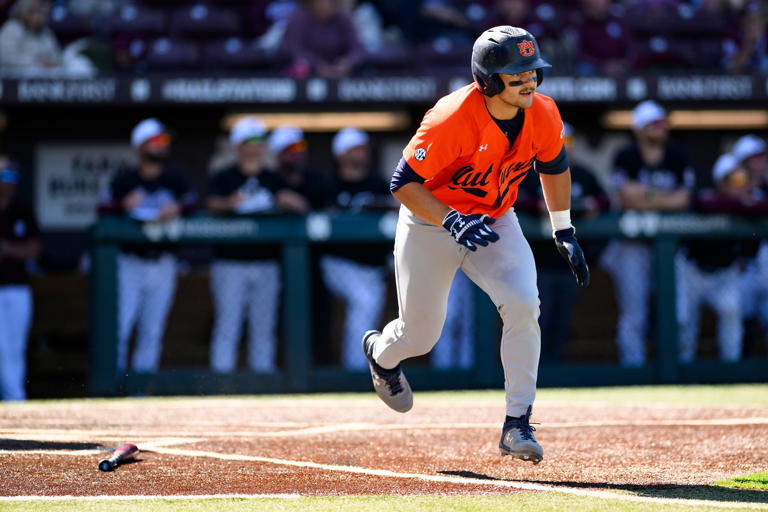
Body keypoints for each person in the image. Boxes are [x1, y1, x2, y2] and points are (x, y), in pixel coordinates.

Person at [361, 26, 589, 465]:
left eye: (532, 71)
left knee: (524, 303)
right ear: (487, 80)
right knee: (421, 335)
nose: (530, 80)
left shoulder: (543, 112)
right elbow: (402, 183)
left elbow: (554, 166)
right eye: (517, 73)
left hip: (494, 219)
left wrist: (564, 230)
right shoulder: (452, 115)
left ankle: (517, 422)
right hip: (432, 221)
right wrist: (452, 218)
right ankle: (381, 354)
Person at [98, 118, 197, 375]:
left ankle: (140, 392)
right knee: (121, 325)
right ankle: (113, 384)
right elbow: (102, 209)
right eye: (155, 141)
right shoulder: (124, 179)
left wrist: (177, 208)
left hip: (162, 262)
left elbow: (194, 204)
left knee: (152, 330)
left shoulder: (175, 178)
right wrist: (123, 206)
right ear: (139, 146)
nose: (162, 146)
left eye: (164, 141)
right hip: (130, 262)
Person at [601, 100, 695, 367]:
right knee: (634, 314)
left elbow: (684, 200)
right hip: (632, 244)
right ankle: (634, 369)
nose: (661, 128)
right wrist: (665, 198)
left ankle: (681, 367)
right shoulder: (625, 155)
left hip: (672, 245)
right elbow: (627, 199)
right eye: (654, 124)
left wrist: (645, 196)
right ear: (639, 129)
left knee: (679, 310)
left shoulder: (677, 153)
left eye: (663, 123)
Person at [517, 121, 610, 363]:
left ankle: (558, 370)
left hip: (570, 262)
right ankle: (538, 371)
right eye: (559, 143)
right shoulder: (530, 173)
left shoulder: (583, 174)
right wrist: (535, 207)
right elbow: (514, 201)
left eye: (567, 142)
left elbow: (605, 200)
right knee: (540, 319)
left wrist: (593, 206)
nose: (564, 148)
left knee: (563, 319)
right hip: (538, 262)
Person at [206, 117, 287, 373]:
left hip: (266, 262)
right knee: (227, 324)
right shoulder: (223, 177)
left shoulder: (274, 178)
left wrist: (289, 200)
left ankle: (262, 384)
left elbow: (298, 204)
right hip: (230, 262)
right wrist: (229, 203)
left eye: (259, 140)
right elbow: (210, 203)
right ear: (238, 145)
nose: (255, 146)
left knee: (263, 327)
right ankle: (220, 384)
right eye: (250, 141)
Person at [320, 127, 395, 369]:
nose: (361, 153)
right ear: (341, 154)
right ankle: (356, 368)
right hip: (338, 263)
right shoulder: (330, 185)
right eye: (355, 149)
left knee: (368, 301)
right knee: (364, 299)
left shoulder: (377, 183)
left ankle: (363, 366)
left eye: (363, 149)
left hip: (372, 266)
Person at [678, 153, 749, 362]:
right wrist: (742, 206)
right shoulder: (708, 196)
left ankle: (731, 370)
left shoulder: (750, 200)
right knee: (685, 322)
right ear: (721, 182)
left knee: (732, 312)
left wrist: (745, 206)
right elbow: (704, 205)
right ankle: (681, 374)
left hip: (724, 274)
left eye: (742, 180)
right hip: (692, 271)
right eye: (734, 180)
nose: (740, 186)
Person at [0, 158, 41, 401]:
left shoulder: (23, 210)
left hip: (17, 288)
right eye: (4, 177)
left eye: (12, 177)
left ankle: (15, 398)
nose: (8, 183)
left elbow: (34, 249)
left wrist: (6, 248)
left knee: (13, 347)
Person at [733, 135, 768, 349]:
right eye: (753, 158)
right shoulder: (731, 189)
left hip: (764, 265)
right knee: (740, 320)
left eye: (761, 157)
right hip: (741, 267)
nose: (759, 162)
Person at [277, 0, 366, 78]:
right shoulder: (299, 17)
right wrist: (318, 66)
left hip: (338, 73)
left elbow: (358, 49)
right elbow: (291, 49)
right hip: (307, 75)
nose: (324, 3)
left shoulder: (343, 18)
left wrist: (347, 62)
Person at [267, 125, 331, 211]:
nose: (295, 153)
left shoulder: (319, 180)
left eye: (299, 147)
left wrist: (303, 205)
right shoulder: (268, 181)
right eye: (288, 149)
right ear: (278, 155)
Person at [0, 0, 61, 73]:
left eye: (42, 13)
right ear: (24, 11)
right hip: (14, 80)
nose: (38, 17)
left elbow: (56, 58)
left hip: (44, 81)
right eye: (34, 12)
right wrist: (37, 63)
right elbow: (6, 58)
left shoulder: (46, 34)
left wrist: (51, 63)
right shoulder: (12, 28)